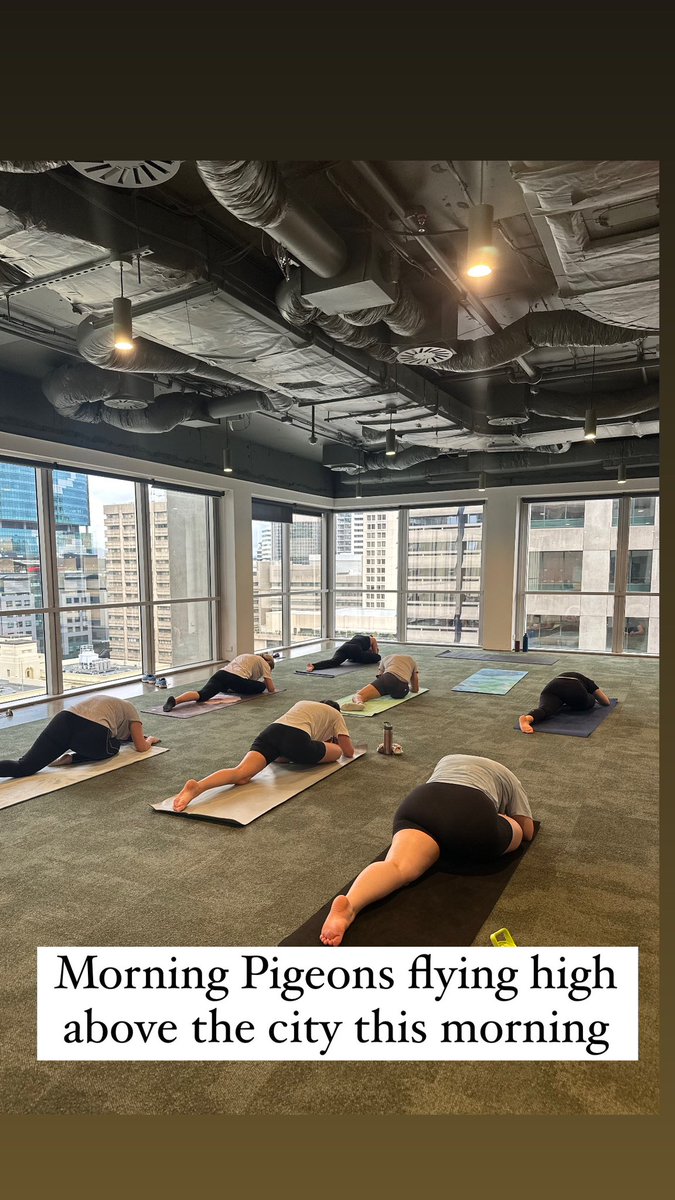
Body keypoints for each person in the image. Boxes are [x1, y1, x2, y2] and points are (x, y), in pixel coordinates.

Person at [320, 754, 535, 946]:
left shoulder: (447, 759)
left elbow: (442, 799)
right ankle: (485, 828)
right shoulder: (507, 775)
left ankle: (349, 906)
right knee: (513, 828)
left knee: (397, 866)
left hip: (422, 803)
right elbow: (527, 830)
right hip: (472, 814)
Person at [173, 699, 355, 811]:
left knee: (242, 774)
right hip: (296, 741)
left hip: (271, 733)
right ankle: (295, 754)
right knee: (337, 751)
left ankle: (198, 786)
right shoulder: (335, 714)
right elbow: (348, 751)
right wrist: (333, 743)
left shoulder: (303, 704)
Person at [0, 696, 160, 779]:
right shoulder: (131, 710)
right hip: (92, 731)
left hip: (63, 719)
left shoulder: (112, 703)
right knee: (114, 747)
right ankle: (72, 759)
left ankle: (68, 756)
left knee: (24, 766)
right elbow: (140, 747)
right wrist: (150, 739)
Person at [162, 653, 277, 712]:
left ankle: (176, 700)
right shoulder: (264, 663)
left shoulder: (246, 656)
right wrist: (265, 682)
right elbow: (271, 689)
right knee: (261, 686)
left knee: (202, 695)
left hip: (220, 675)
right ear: (269, 663)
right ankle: (231, 689)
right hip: (234, 680)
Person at [518, 671, 611, 733]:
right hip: (575, 689)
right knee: (591, 700)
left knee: (545, 709)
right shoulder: (588, 681)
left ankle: (527, 718)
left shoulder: (564, 674)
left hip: (552, 687)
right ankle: (571, 702)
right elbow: (605, 702)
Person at [342, 652, 420, 711]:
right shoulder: (411, 660)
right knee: (387, 688)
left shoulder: (385, 659)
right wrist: (410, 688)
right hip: (402, 690)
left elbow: (380, 677)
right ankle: (385, 691)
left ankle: (359, 703)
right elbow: (415, 688)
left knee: (359, 695)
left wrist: (370, 689)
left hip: (388, 678)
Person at [306, 634, 380, 673]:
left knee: (334, 661)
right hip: (355, 649)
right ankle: (354, 659)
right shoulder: (371, 639)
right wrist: (375, 653)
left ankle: (313, 665)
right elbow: (375, 653)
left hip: (344, 647)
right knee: (377, 657)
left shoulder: (358, 637)